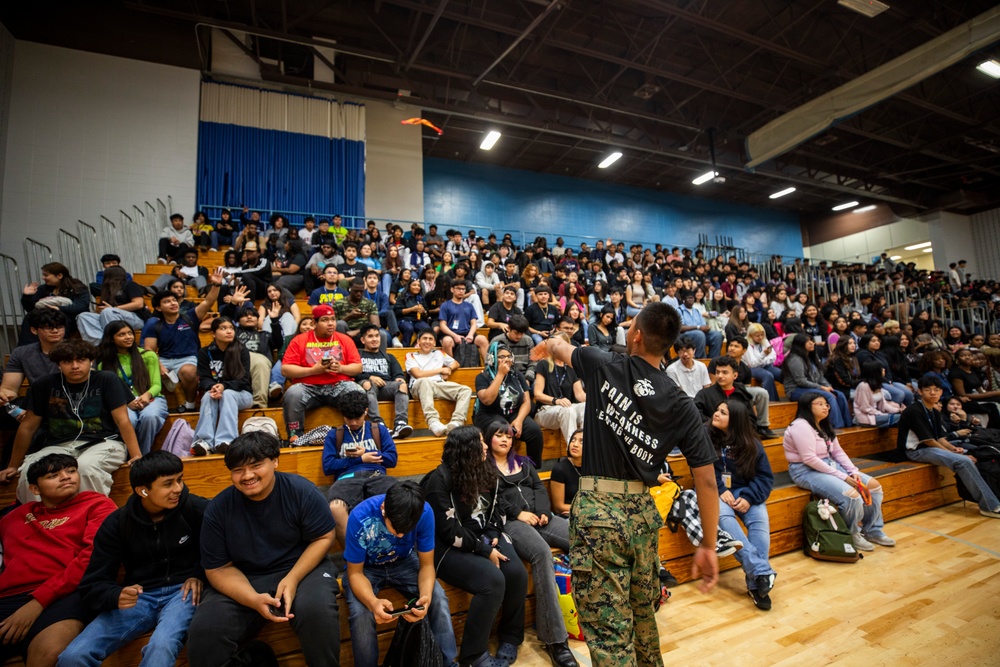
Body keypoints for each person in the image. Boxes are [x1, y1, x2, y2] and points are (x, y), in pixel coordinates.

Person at [531, 302, 719, 665]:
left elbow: (558, 348)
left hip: (599, 513)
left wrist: (549, 344)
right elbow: (707, 481)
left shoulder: (603, 364)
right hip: (643, 514)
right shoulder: (681, 401)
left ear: (634, 335)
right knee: (643, 618)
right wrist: (708, 544)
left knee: (608, 632)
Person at [185, 432, 341, 667]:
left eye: (256, 466)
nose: (247, 476)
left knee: (316, 612)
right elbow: (218, 569)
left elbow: (324, 536)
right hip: (243, 576)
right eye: (238, 470)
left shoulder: (301, 491)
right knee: (205, 631)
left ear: (275, 461)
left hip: (302, 568)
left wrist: (293, 578)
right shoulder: (218, 509)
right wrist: (252, 599)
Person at [59, 451, 208, 667]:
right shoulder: (117, 523)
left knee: (161, 647)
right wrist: (115, 594)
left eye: (180, 479)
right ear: (143, 491)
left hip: (183, 593)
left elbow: (221, 553)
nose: (178, 489)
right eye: (168, 484)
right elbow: (93, 583)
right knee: (74, 656)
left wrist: (199, 575)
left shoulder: (196, 508)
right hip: (140, 596)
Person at [420, 426, 527, 667]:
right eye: (481, 442)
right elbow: (450, 534)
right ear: (467, 449)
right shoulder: (439, 480)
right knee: (493, 580)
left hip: (484, 538)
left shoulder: (486, 469)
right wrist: (484, 549)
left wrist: (491, 535)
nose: (487, 446)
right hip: (448, 547)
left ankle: (510, 637)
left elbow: (498, 509)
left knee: (516, 573)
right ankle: (474, 656)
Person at [0, 454, 116, 667]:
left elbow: (94, 557)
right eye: (54, 475)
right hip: (9, 596)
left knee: (50, 653)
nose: (66, 477)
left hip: (68, 593)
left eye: (71, 471)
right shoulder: (12, 517)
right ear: (35, 489)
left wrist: (38, 602)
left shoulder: (97, 504)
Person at [0, 340, 142, 503]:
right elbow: (28, 427)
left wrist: (136, 455)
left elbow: (123, 421)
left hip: (104, 441)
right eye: (68, 361)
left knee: (86, 468)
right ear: (59, 364)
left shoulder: (107, 380)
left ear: (91, 361)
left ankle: (91, 519)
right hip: (57, 444)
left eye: (81, 360)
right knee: (30, 472)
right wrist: (12, 465)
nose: (75, 366)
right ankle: (39, 523)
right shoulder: (44, 384)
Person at [486, 420, 577, 667]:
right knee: (542, 554)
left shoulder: (524, 463)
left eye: (508, 436)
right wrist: (518, 513)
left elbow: (537, 487)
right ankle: (556, 640)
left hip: (541, 517)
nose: (504, 440)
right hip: (512, 523)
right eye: (498, 435)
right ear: (489, 439)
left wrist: (544, 510)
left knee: (582, 539)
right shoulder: (484, 467)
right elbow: (491, 500)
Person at [342, 481, 457, 667]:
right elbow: (355, 573)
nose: (401, 535)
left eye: (406, 530)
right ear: (384, 509)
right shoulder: (360, 517)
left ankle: (449, 663)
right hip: (366, 569)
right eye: (395, 528)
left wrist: (426, 598)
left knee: (438, 598)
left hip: (403, 562)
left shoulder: (424, 512)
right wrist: (373, 603)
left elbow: (427, 566)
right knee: (360, 614)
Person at [782, 392, 893, 551]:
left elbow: (838, 452)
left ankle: (873, 530)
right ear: (807, 406)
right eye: (819, 404)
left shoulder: (823, 424)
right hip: (805, 471)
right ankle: (852, 533)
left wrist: (853, 471)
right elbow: (810, 459)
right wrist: (843, 477)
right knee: (851, 496)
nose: (825, 407)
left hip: (830, 465)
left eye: (826, 404)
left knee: (874, 486)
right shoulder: (801, 426)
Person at [897, 376, 1000, 519]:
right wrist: (958, 455)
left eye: (936, 390)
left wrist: (953, 449)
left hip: (930, 448)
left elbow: (941, 438)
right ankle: (989, 506)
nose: (932, 393)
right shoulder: (915, 410)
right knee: (963, 461)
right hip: (916, 451)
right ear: (920, 392)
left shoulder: (934, 410)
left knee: (980, 453)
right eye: (928, 390)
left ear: (941, 392)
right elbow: (929, 441)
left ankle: (992, 498)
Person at [708, 401, 776, 610]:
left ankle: (756, 582)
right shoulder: (706, 436)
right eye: (717, 410)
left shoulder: (752, 444)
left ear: (735, 420)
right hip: (718, 492)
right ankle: (761, 574)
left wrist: (748, 497)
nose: (716, 414)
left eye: (723, 412)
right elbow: (701, 469)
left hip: (747, 491)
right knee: (725, 520)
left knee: (759, 522)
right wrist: (721, 489)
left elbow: (765, 477)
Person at [142, 269, 225, 414]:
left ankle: (190, 404)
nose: (173, 303)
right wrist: (159, 366)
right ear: (158, 308)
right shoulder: (153, 323)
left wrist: (216, 285)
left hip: (188, 358)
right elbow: (149, 350)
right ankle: (150, 404)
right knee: (146, 369)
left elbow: (208, 301)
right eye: (167, 302)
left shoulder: (190, 317)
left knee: (188, 371)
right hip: (164, 358)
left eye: (174, 300)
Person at [323, 389, 398, 548]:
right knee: (335, 508)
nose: (353, 423)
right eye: (349, 418)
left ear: (365, 411)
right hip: (346, 478)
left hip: (376, 475)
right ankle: (354, 555)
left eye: (357, 418)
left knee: (399, 499)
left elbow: (392, 459)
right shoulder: (335, 434)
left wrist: (369, 453)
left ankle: (392, 551)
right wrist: (359, 459)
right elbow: (328, 466)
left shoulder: (377, 429)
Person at [280, 304, 366, 442]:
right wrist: (313, 370)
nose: (330, 323)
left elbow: (358, 367)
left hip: (338, 385)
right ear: (314, 323)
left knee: (357, 391)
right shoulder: (299, 340)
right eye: (325, 320)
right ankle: (295, 436)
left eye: (333, 319)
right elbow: (286, 369)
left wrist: (341, 369)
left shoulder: (344, 339)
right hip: (308, 387)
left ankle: (359, 434)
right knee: (292, 393)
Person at [95, 320, 168, 455]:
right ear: (111, 339)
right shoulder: (104, 363)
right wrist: (126, 402)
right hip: (121, 403)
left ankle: (143, 455)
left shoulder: (148, 355)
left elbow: (157, 384)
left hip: (151, 398)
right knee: (130, 420)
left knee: (149, 416)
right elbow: (108, 392)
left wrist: (147, 395)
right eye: (121, 334)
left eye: (130, 333)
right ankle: (130, 454)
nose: (128, 337)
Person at [474, 340, 543, 467]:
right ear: (493, 358)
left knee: (534, 431)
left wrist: (519, 420)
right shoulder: (483, 377)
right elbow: (487, 400)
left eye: (508, 356)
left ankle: (533, 469)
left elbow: (527, 402)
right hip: (489, 414)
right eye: (501, 357)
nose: (506, 359)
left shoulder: (517, 375)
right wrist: (500, 374)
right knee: (504, 430)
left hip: (514, 413)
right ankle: (497, 467)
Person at [191, 317, 253, 456]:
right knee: (208, 395)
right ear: (213, 333)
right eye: (223, 328)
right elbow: (204, 379)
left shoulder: (241, 350)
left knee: (228, 394)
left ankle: (226, 441)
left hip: (242, 394)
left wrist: (223, 386)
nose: (229, 331)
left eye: (231, 328)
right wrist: (213, 387)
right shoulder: (204, 352)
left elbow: (243, 380)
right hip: (216, 393)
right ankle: (204, 442)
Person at [404, 329, 472, 436]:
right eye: (424, 338)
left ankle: (456, 422)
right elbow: (418, 374)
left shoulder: (439, 353)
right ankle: (433, 422)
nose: (428, 341)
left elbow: (456, 363)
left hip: (438, 384)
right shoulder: (410, 355)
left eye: (431, 339)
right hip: (419, 386)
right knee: (424, 381)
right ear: (418, 341)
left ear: (435, 343)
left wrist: (449, 369)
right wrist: (441, 370)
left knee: (466, 390)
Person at [781, 334, 852, 429]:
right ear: (800, 344)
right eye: (808, 341)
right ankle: (835, 426)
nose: (812, 343)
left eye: (812, 341)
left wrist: (828, 387)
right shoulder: (795, 359)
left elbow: (820, 377)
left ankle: (849, 425)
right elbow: (801, 381)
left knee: (839, 394)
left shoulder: (811, 358)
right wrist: (822, 388)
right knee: (829, 397)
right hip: (796, 390)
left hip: (812, 387)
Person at [533, 331, 586, 446]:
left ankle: (586, 448)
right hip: (546, 410)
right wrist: (556, 400)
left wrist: (597, 400)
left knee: (586, 407)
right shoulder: (543, 364)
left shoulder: (572, 366)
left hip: (567, 409)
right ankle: (572, 450)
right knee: (567, 410)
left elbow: (580, 395)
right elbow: (537, 394)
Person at [19, 262, 91, 346]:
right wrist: (27, 296)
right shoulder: (43, 288)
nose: (43, 278)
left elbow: (81, 306)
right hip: (45, 318)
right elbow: (30, 308)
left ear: (59, 276)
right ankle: (27, 348)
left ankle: (59, 348)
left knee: (60, 317)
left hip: (69, 318)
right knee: (30, 316)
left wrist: (59, 309)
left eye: (46, 275)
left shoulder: (77, 287)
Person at [77, 267, 149, 345]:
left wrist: (114, 308)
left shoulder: (130, 284)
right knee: (83, 316)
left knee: (108, 311)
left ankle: (112, 343)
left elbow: (139, 304)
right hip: (112, 315)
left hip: (136, 318)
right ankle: (100, 344)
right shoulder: (107, 289)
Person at [439, 279, 489, 364]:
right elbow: (442, 325)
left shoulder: (469, 306)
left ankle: (488, 368)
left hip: (467, 333)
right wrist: (455, 336)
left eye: (463, 289)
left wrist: (470, 335)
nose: (461, 291)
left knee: (483, 339)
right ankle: (451, 367)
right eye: (458, 288)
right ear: (452, 290)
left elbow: (473, 324)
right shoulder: (445, 305)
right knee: (447, 341)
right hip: (451, 333)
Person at [853, 360, 903, 427]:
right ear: (875, 372)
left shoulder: (877, 385)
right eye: (881, 369)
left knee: (904, 416)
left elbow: (883, 405)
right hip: (867, 418)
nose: (884, 370)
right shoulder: (863, 386)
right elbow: (865, 408)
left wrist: (898, 410)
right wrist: (881, 414)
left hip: (876, 414)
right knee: (901, 418)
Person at [742, 323, 782, 402]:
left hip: (765, 365)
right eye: (757, 336)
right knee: (768, 376)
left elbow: (773, 357)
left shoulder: (765, 340)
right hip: (750, 369)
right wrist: (764, 354)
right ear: (750, 335)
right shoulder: (746, 343)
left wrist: (761, 360)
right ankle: (771, 402)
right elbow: (752, 364)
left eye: (762, 335)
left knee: (782, 374)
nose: (760, 337)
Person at [549, 429, 583, 517]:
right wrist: (584, 511)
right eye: (573, 440)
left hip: (589, 513)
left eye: (581, 442)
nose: (575, 445)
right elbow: (558, 507)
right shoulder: (560, 469)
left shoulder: (592, 467)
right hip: (569, 515)